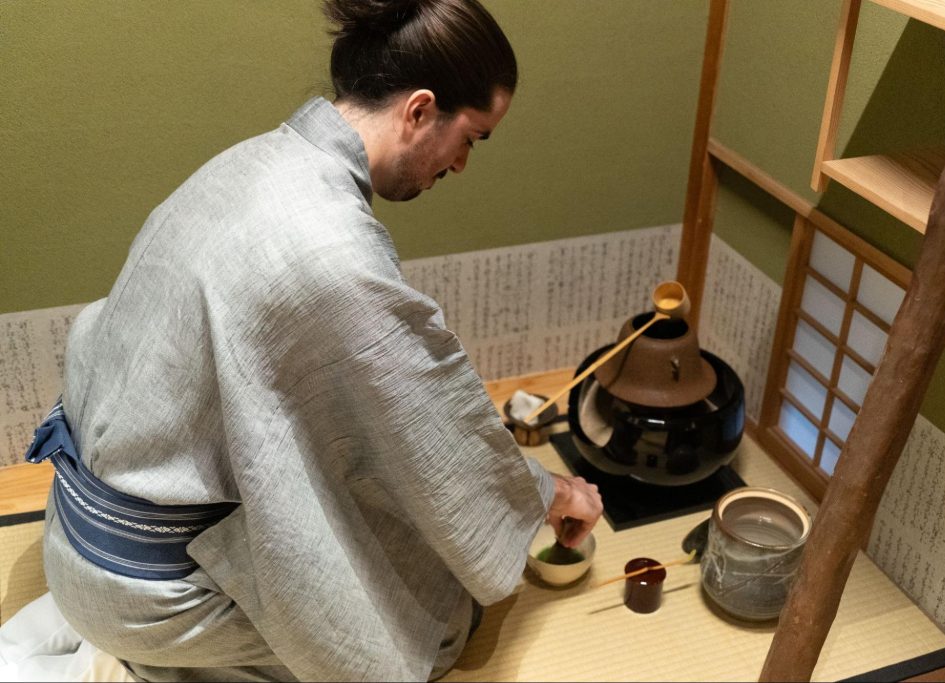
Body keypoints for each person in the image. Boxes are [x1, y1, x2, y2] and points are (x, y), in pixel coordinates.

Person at [14, 1, 603, 680]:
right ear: (419, 111)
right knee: (434, 628)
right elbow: (436, 434)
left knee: (387, 530)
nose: (463, 163)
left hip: (81, 532)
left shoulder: (253, 161)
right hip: (148, 594)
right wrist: (552, 493)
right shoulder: (331, 250)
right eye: (473, 137)